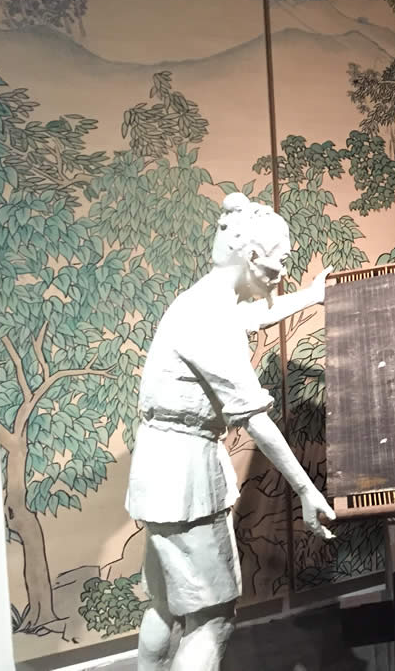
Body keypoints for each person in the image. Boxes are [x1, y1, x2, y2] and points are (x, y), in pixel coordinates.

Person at [126, 193, 336, 670]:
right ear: (254, 256)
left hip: (163, 467)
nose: (283, 270)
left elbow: (253, 317)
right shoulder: (209, 316)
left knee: (166, 604)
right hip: (185, 475)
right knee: (212, 619)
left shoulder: (202, 301)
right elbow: (255, 417)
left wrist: (313, 295)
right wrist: (306, 490)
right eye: (282, 260)